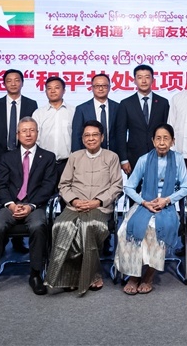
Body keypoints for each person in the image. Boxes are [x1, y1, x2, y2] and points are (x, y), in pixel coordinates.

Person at [0, 117, 58, 300]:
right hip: (11, 205)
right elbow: (0, 185)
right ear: (17, 134)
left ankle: (36, 274)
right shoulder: (7, 157)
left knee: (38, 226)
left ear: (37, 133)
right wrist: (11, 204)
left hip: (35, 205)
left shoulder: (48, 157)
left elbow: (48, 186)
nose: (28, 134)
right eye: (24, 131)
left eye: (32, 130)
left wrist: (31, 206)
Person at [45, 120, 123, 294]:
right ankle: (70, 276)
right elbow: (64, 185)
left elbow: (116, 186)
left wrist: (98, 201)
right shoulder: (75, 156)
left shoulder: (112, 157)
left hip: (100, 207)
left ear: (102, 137)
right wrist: (74, 201)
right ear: (82, 138)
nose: (91, 138)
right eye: (87, 135)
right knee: (62, 225)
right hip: (75, 206)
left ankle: (93, 274)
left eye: (95, 135)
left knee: (89, 226)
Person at [115, 123, 187, 295]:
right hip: (145, 203)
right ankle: (134, 275)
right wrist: (144, 202)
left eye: (166, 138)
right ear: (153, 141)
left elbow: (186, 187)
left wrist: (167, 200)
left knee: (155, 229)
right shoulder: (143, 160)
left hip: (167, 205)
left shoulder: (178, 159)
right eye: (158, 138)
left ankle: (149, 274)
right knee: (126, 230)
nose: (162, 142)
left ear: (172, 141)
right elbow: (129, 187)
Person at [0, 69, 39, 192]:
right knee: (0, 194)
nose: (13, 84)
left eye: (17, 80)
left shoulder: (31, 104)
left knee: (23, 193)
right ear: (4, 84)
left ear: (22, 83)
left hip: (24, 158)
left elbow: (32, 131)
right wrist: (3, 156)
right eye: (9, 81)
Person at [115, 64, 170, 176]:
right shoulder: (126, 104)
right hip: (134, 156)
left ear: (153, 80)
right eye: (140, 77)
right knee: (135, 186)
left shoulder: (163, 103)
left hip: (159, 154)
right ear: (134, 80)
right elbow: (120, 133)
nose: (144, 81)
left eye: (147, 77)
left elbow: (168, 130)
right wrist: (123, 159)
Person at [32, 76, 74, 181]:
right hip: (44, 163)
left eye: (57, 88)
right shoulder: (38, 113)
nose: (53, 91)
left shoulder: (73, 111)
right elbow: (34, 139)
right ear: (45, 91)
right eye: (49, 88)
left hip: (67, 163)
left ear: (64, 91)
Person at [71, 73, 120, 154]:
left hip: (113, 154)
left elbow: (121, 133)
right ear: (92, 88)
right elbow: (77, 135)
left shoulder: (118, 107)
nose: (101, 89)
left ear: (109, 88)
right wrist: (77, 156)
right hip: (88, 154)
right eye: (97, 86)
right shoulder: (81, 109)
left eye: (104, 86)